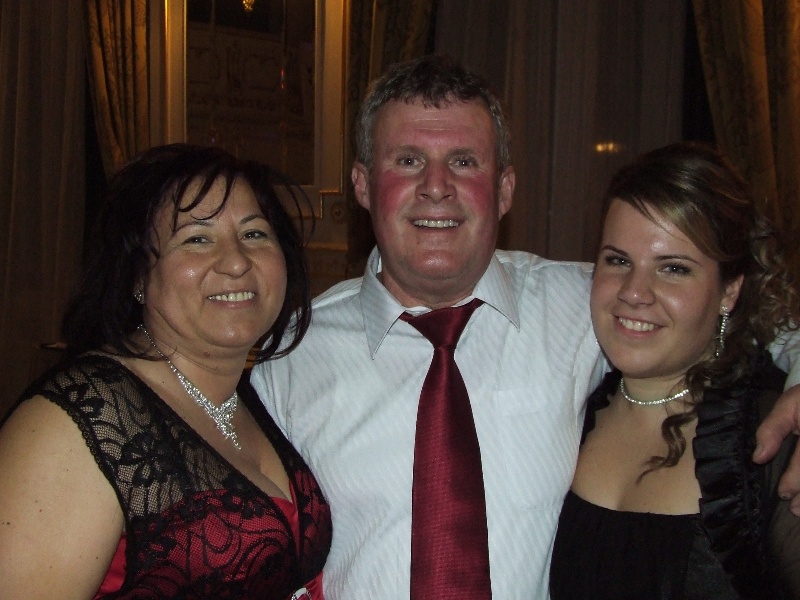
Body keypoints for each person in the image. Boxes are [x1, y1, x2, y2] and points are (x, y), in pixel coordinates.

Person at [251, 55, 800, 599]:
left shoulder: (588, 303)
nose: (436, 186)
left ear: (505, 188)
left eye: (464, 161)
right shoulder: (291, 357)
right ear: (362, 184)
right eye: (409, 160)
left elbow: (728, 313)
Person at [0, 144, 332, 599]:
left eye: (254, 234)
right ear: (138, 275)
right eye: (197, 239)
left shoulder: (251, 398)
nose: (237, 261)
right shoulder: (78, 421)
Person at [549, 142, 800, 599]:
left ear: (730, 290)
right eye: (618, 260)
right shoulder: (567, 407)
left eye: (673, 269)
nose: (634, 292)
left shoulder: (772, 438)